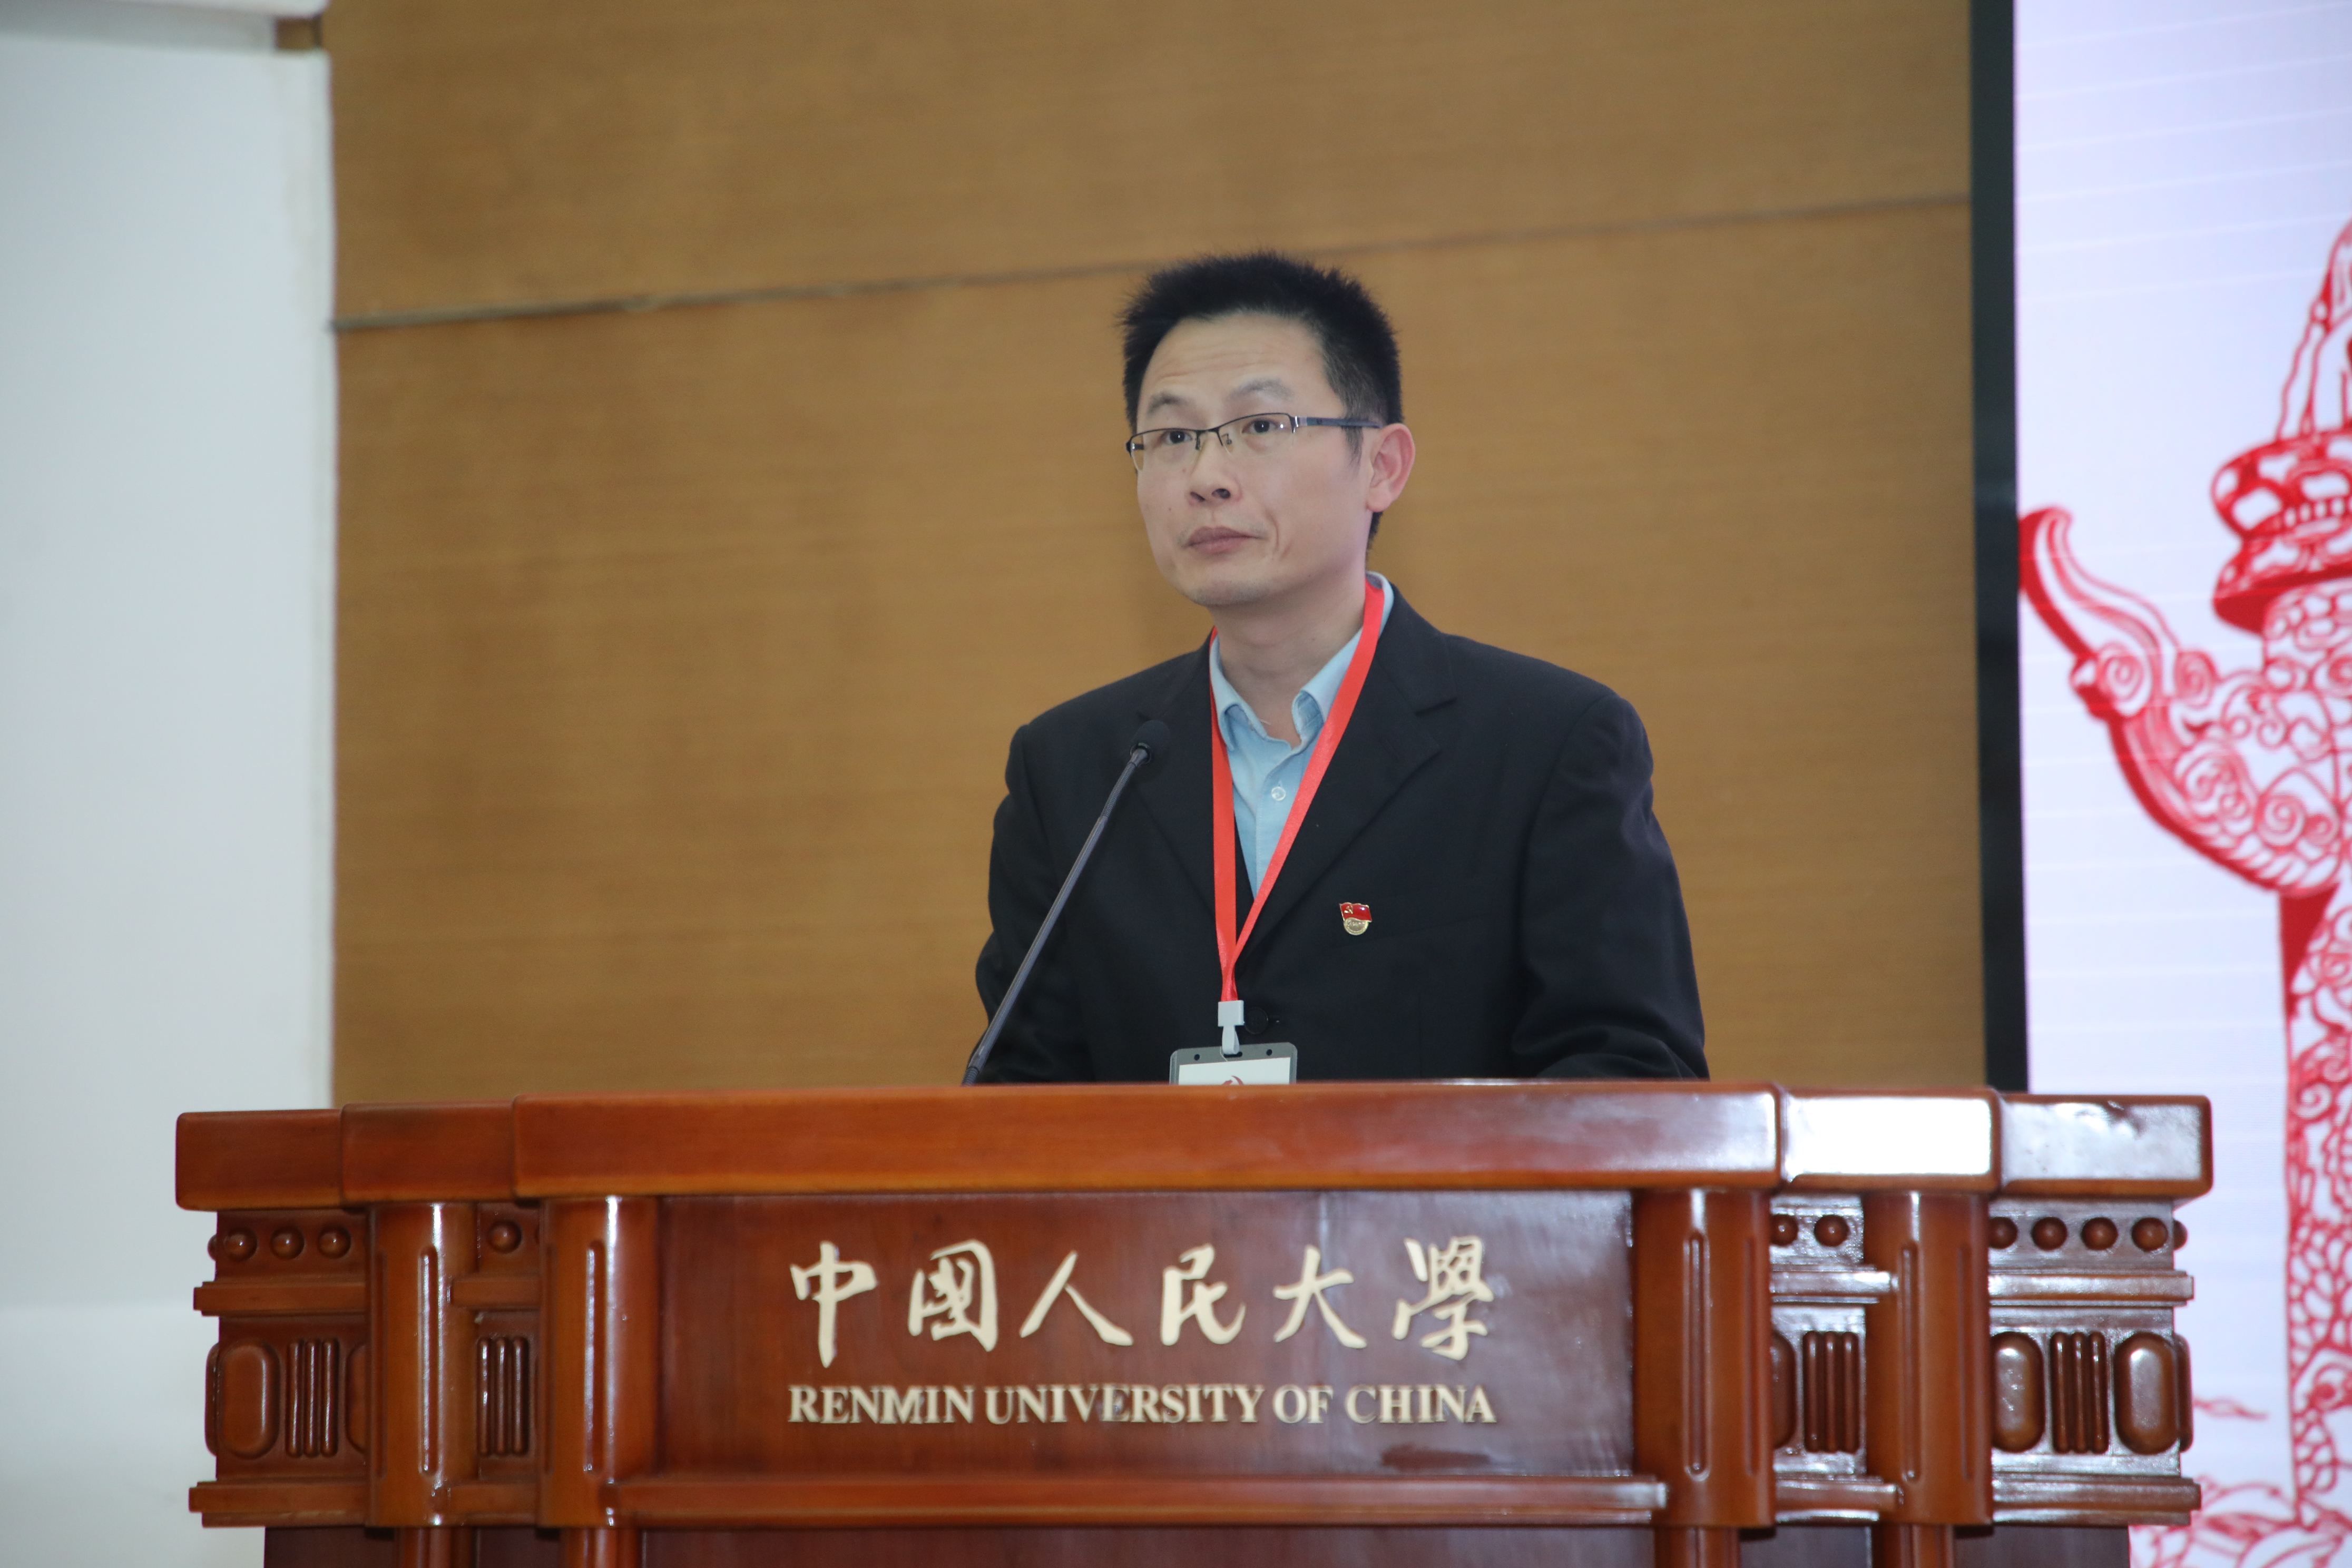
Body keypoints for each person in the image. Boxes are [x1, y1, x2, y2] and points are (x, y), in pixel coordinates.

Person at [974, 252, 1705, 1082]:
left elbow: (1631, 1079)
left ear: (1382, 467)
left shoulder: (1546, 743)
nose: (1207, 478)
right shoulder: (1074, 769)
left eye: (1261, 427)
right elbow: (1021, 1098)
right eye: (1173, 438)